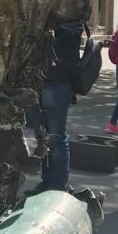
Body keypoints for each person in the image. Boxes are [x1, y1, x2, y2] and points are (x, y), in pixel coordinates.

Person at [33, 20, 84, 192]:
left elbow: (66, 37)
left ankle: (57, 184)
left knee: (56, 136)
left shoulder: (72, 19)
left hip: (58, 82)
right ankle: (47, 180)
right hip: (39, 82)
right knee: (43, 136)